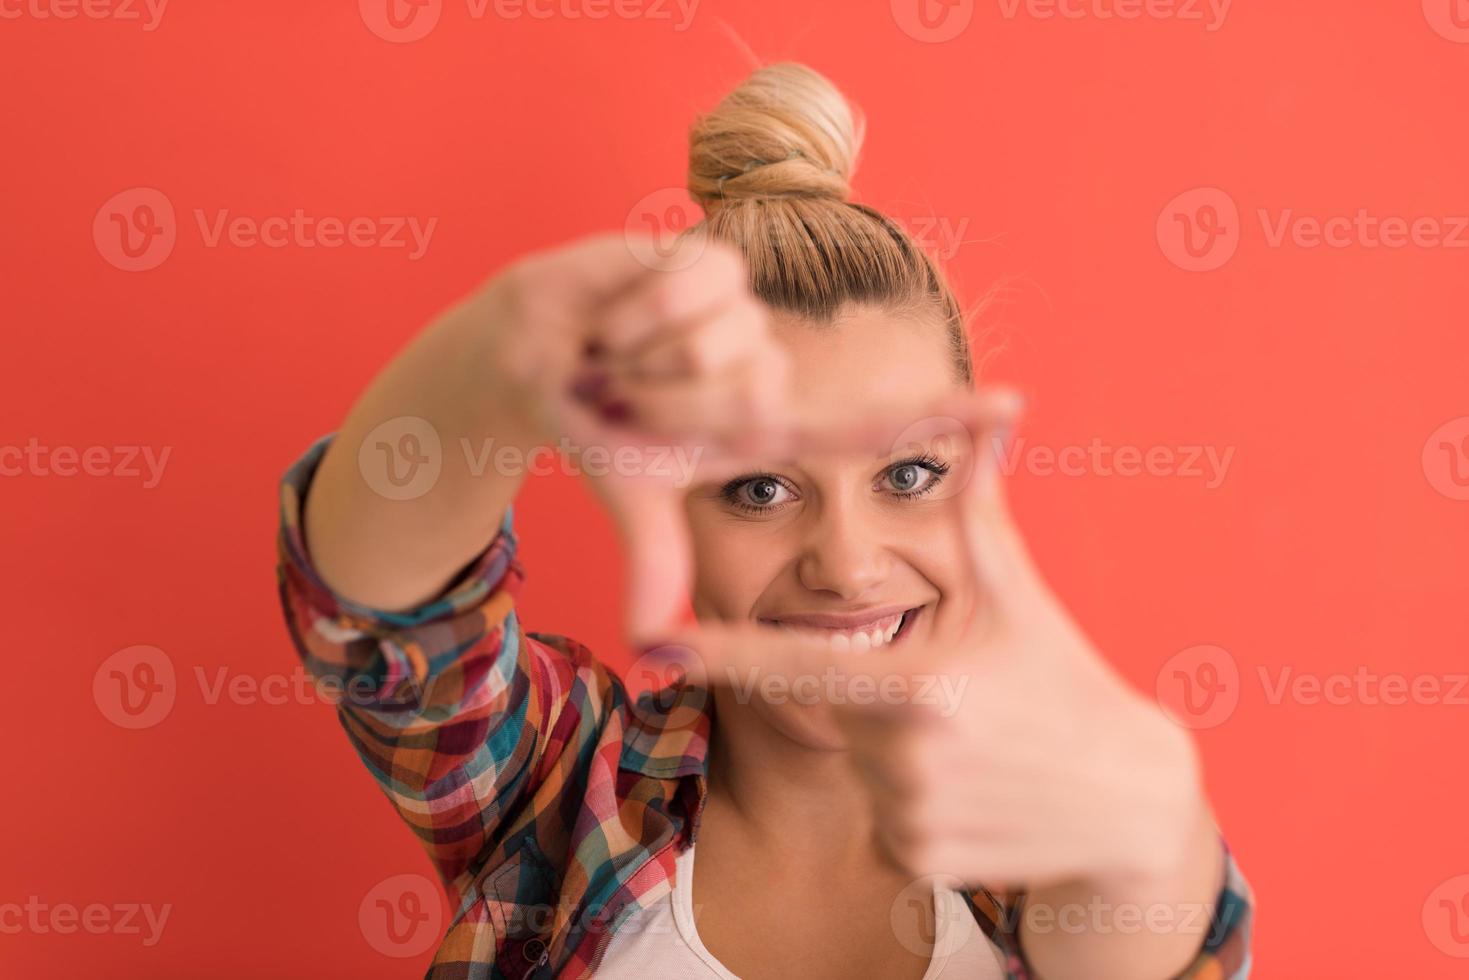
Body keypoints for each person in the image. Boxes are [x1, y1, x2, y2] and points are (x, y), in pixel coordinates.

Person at [276, 62, 1253, 979]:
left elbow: (1139, 929)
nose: (846, 562)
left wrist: (1154, 826)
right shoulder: (565, 790)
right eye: (759, 488)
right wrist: (499, 350)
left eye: (908, 472)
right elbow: (379, 621)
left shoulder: (1044, 841)